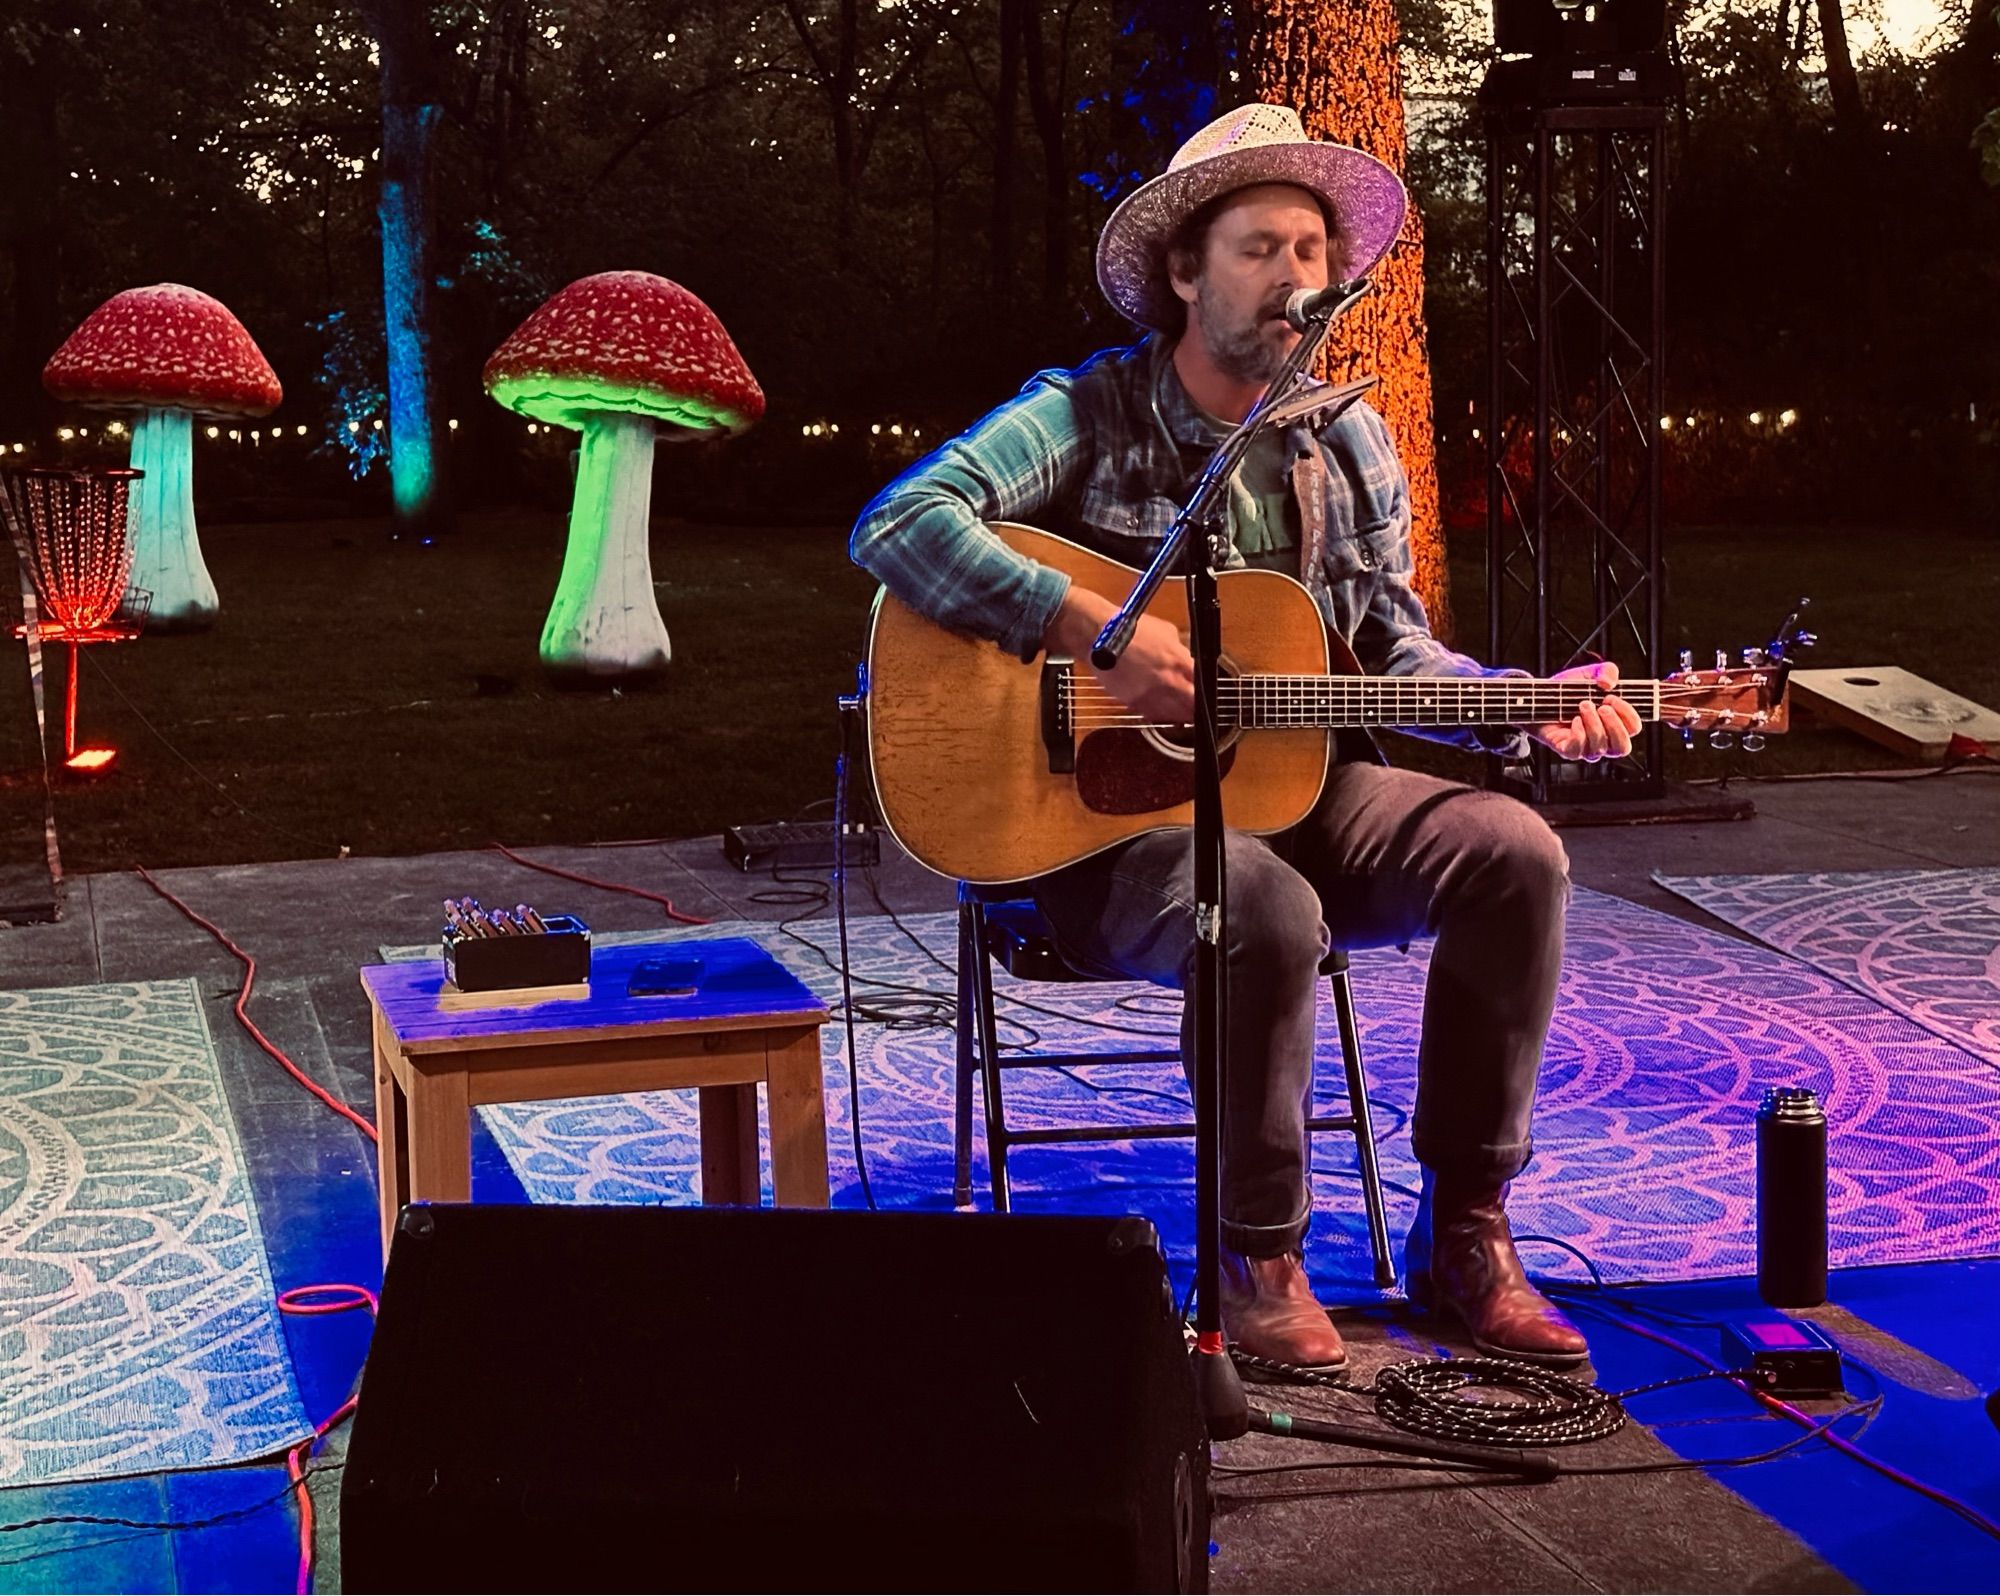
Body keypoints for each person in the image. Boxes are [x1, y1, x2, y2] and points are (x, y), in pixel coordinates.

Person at [849, 103, 1643, 1369]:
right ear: (1182, 273)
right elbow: (899, 520)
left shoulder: (1346, 439)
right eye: (1259, 248)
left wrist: (1523, 700)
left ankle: (1467, 1232)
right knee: (1256, 906)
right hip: (1091, 835)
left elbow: (1393, 654)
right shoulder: (1084, 411)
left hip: (1305, 785)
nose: (1294, 278)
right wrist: (1089, 627)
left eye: (1312, 254)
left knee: (1515, 853)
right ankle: (1257, 1250)